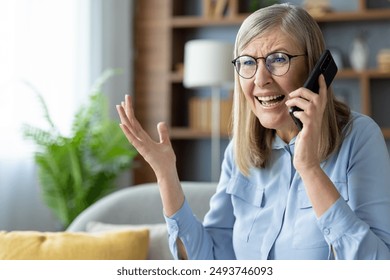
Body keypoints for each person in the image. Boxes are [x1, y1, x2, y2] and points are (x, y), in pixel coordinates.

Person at [116, 3, 390, 259]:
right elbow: (210, 261)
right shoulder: (239, 151)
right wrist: (166, 176)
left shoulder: (359, 137)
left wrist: (309, 168)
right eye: (248, 62)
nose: (260, 79)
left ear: (314, 70)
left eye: (278, 59)